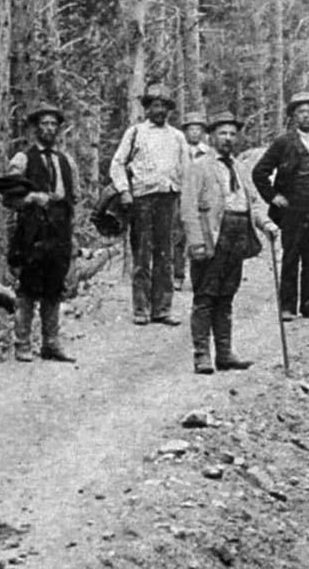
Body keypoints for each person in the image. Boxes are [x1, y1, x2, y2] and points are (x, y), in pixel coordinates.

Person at [180, 111, 278, 374]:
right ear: (211, 136)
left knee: (227, 295)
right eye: (222, 133)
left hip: (238, 234)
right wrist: (197, 243)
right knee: (205, 296)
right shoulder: (199, 166)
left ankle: (224, 353)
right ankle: (202, 354)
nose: (228, 138)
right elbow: (188, 207)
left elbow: (252, 203)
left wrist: (266, 224)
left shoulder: (239, 167)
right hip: (212, 235)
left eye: (232, 134)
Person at [0, 103, 78, 363]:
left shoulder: (66, 161)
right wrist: (30, 198)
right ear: (35, 128)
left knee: (54, 287)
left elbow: (74, 197)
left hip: (59, 233)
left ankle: (51, 343)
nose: (49, 128)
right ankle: (22, 343)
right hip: (31, 233)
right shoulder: (22, 159)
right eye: (44, 123)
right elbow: (8, 196)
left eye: (53, 124)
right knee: (28, 289)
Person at [252, 91, 309, 321]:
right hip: (292, 209)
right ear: (293, 116)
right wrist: (273, 196)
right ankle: (287, 307)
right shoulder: (283, 142)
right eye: (301, 112)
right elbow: (260, 172)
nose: (306, 117)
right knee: (291, 256)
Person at [110, 82, 187, 326]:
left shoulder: (177, 137)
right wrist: (124, 190)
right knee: (142, 254)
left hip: (169, 198)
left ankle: (162, 309)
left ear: (169, 110)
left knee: (165, 255)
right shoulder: (136, 133)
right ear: (147, 108)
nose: (160, 110)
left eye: (164, 106)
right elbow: (117, 163)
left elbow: (186, 169)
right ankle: (141, 309)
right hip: (142, 199)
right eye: (155, 105)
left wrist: (185, 197)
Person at [173, 111, 212, 290]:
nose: (195, 132)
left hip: (201, 199)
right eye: (191, 129)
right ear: (185, 131)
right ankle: (178, 275)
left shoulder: (208, 153)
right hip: (179, 197)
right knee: (178, 237)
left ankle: (201, 277)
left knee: (202, 235)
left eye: (198, 129)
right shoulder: (178, 150)